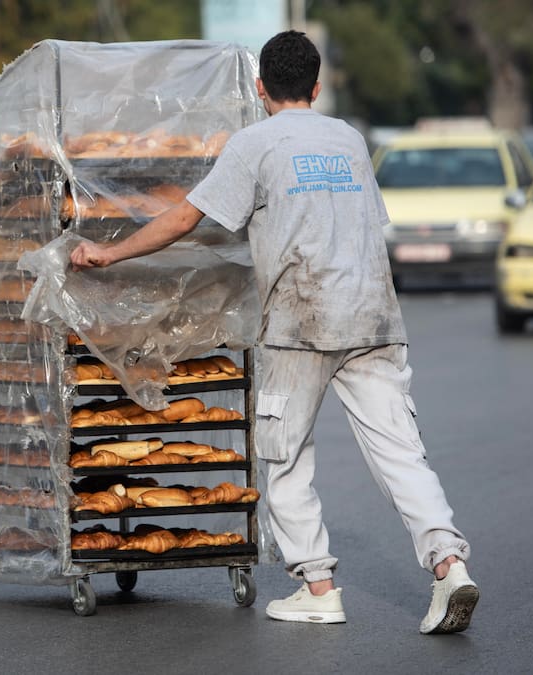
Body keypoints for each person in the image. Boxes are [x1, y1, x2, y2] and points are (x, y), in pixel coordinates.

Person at [70, 31, 478, 634]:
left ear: (261, 88)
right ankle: (448, 563)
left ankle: (318, 587)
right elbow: (364, 223)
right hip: (373, 316)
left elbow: (185, 218)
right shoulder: (349, 139)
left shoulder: (254, 143)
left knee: (284, 458)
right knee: (399, 452)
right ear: (318, 87)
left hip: (299, 323)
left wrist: (108, 253)